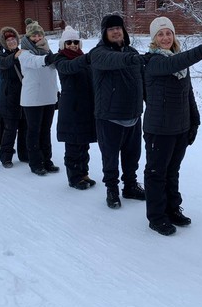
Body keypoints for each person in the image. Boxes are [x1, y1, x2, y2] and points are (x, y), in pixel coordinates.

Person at [143, 17, 202, 235]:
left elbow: (188, 94)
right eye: (160, 34)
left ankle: (172, 209)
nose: (165, 38)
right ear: (154, 39)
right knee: (156, 172)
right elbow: (175, 64)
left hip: (179, 128)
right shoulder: (153, 62)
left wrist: (194, 122)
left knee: (172, 171)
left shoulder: (179, 62)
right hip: (158, 129)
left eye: (168, 33)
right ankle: (157, 216)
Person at [90, 14, 147, 209]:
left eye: (119, 28)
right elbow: (114, 60)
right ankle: (112, 189)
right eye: (111, 29)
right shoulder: (99, 54)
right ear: (105, 33)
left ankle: (130, 185)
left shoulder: (132, 51)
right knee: (110, 157)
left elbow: (142, 81)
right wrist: (133, 58)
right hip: (109, 116)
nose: (116, 31)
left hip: (133, 114)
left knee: (133, 156)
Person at [53, 26, 97, 190]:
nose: (73, 45)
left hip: (86, 107)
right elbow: (70, 68)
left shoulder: (83, 58)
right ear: (64, 44)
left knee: (84, 143)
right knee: (73, 144)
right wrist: (88, 59)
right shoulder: (60, 59)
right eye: (69, 42)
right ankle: (74, 177)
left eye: (75, 42)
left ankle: (83, 173)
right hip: (71, 108)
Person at [14, 19, 60, 176]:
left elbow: (53, 71)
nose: (37, 38)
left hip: (48, 97)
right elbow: (36, 62)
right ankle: (35, 163)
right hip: (32, 99)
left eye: (40, 35)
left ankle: (47, 160)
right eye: (34, 36)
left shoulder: (48, 51)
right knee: (34, 131)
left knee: (46, 131)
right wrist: (50, 59)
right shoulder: (24, 53)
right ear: (28, 37)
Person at [0, 27, 28, 169]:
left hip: (25, 95)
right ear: (4, 42)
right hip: (9, 98)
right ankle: (6, 157)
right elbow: (4, 63)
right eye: (8, 40)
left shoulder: (24, 53)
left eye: (13, 39)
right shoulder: (0, 56)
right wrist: (14, 57)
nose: (11, 42)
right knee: (10, 129)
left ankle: (24, 154)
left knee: (25, 127)